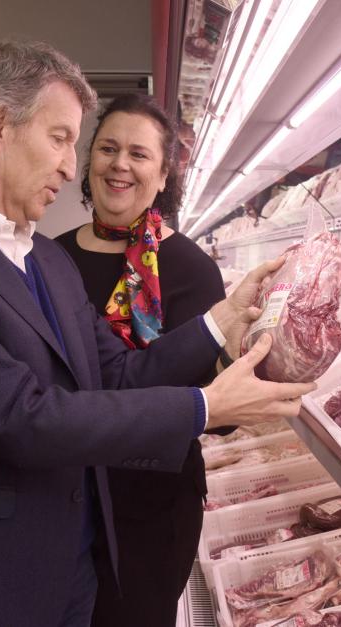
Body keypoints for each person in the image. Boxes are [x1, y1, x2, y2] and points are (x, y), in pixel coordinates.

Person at [0, 40, 314, 627]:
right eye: (61, 138)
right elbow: (21, 417)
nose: (70, 165)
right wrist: (202, 408)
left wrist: (223, 317)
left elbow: (114, 373)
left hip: (72, 570)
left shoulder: (43, 259)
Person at [55, 93, 224, 626]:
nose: (119, 165)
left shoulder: (191, 269)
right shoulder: (50, 259)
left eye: (138, 153)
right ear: (89, 161)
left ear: (163, 171)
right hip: (62, 494)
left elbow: (217, 412)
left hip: (152, 504)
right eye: (107, 148)